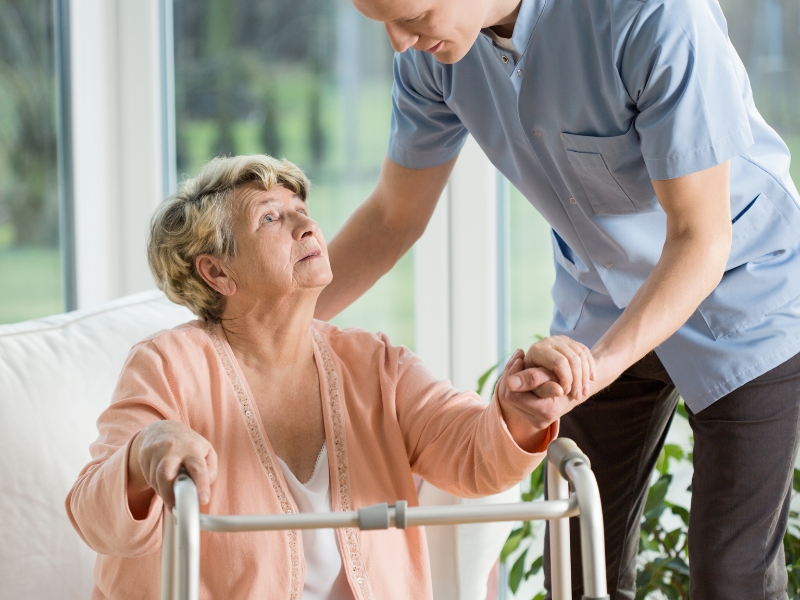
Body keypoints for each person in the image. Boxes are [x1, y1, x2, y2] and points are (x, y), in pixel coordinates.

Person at [313, 0, 800, 597]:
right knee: (574, 563)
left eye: (412, 15)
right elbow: (392, 216)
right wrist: (265, 322)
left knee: (733, 574)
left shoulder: (652, 15)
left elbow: (700, 237)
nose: (397, 42)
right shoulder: (432, 56)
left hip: (742, 290)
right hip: (601, 295)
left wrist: (596, 367)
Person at [65, 154, 592, 600]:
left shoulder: (375, 362)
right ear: (218, 272)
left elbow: (474, 453)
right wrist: (142, 453)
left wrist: (518, 411)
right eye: (270, 219)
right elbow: (93, 514)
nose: (307, 226)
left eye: (302, 210)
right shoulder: (167, 366)